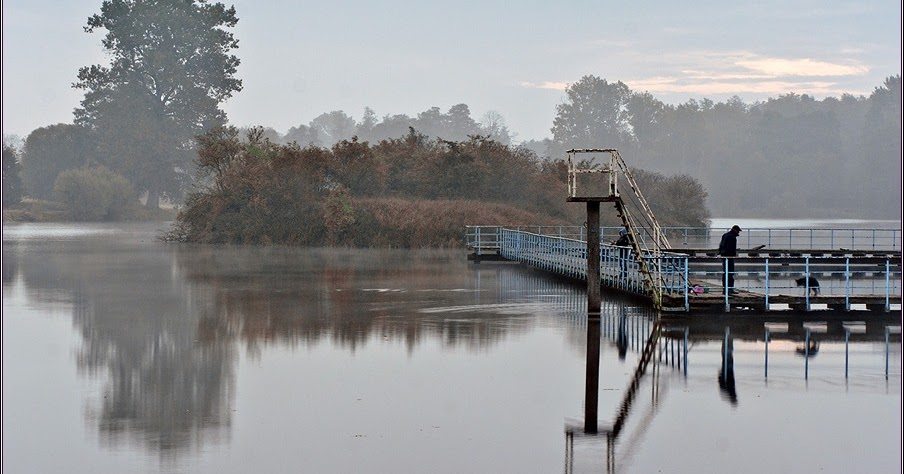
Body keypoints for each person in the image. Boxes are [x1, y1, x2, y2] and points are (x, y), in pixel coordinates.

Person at [718, 225, 741, 294]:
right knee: (730, 273)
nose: (738, 232)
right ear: (735, 230)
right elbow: (730, 247)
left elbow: (721, 245)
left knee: (725, 273)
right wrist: (733, 254)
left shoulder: (725, 235)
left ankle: (725, 289)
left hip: (724, 256)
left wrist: (721, 253)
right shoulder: (732, 237)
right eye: (738, 231)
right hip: (729, 257)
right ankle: (729, 289)